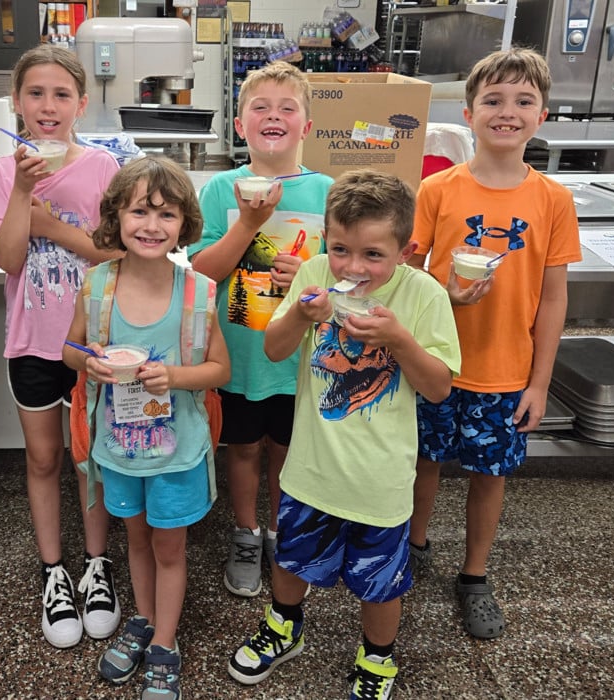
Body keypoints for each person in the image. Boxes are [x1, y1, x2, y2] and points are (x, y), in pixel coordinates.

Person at [227, 169, 460, 700]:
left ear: (406, 249)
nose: (353, 267)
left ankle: (377, 655)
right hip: (312, 467)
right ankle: (284, 625)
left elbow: (440, 387)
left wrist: (399, 339)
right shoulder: (313, 272)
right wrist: (305, 316)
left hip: (381, 477)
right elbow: (274, 349)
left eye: (373, 255)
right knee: (291, 558)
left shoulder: (423, 295)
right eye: (340, 249)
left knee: (380, 581)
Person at [408, 47, 582, 640]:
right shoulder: (439, 189)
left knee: (490, 474)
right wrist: (446, 292)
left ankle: (475, 575)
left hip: (507, 372)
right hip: (437, 362)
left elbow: (553, 298)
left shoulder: (553, 200)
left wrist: (539, 382)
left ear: (543, 115)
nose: (507, 112)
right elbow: (411, 273)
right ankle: (414, 544)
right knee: (423, 462)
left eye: (523, 101)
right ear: (469, 112)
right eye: (493, 100)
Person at [63, 156, 231, 700]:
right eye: (139, 211)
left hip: (177, 453)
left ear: (185, 225)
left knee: (170, 549)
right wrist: (86, 361)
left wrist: (177, 376)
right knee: (134, 538)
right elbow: (70, 349)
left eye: (167, 214)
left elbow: (220, 370)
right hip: (118, 450)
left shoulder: (198, 292)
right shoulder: (98, 284)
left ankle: (164, 640)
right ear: (116, 216)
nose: (152, 225)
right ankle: (142, 616)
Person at [0, 44, 121, 649]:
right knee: (42, 459)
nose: (47, 105)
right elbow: (6, 261)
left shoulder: (103, 169)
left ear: (81, 104)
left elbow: (118, 253)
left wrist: (56, 226)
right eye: (35, 93)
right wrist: (19, 196)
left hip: (90, 340)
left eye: (62, 94)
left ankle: (96, 565)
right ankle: (53, 571)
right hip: (32, 341)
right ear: (16, 102)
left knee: (90, 459)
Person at [188, 61, 334, 598]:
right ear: (241, 125)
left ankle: (284, 532)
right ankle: (246, 532)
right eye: (260, 108)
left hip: (302, 357)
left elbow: (345, 278)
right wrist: (247, 224)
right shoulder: (220, 189)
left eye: (287, 108)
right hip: (239, 351)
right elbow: (201, 272)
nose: (274, 116)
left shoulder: (327, 191)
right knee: (244, 448)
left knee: (289, 451)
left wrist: (312, 274)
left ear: (307, 126)